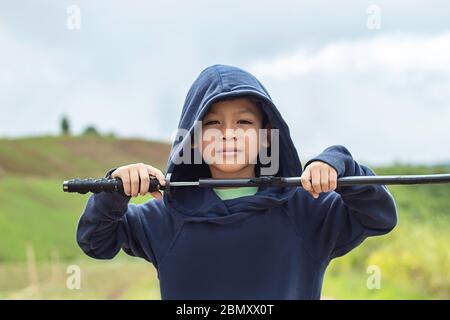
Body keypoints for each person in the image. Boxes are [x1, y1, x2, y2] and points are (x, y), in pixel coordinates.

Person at [76, 64, 397, 299]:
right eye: (212, 122)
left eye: (243, 121)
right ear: (194, 138)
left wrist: (341, 164)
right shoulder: (165, 216)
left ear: (266, 136)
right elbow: (95, 241)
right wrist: (116, 189)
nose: (228, 132)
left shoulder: (307, 210)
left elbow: (379, 216)